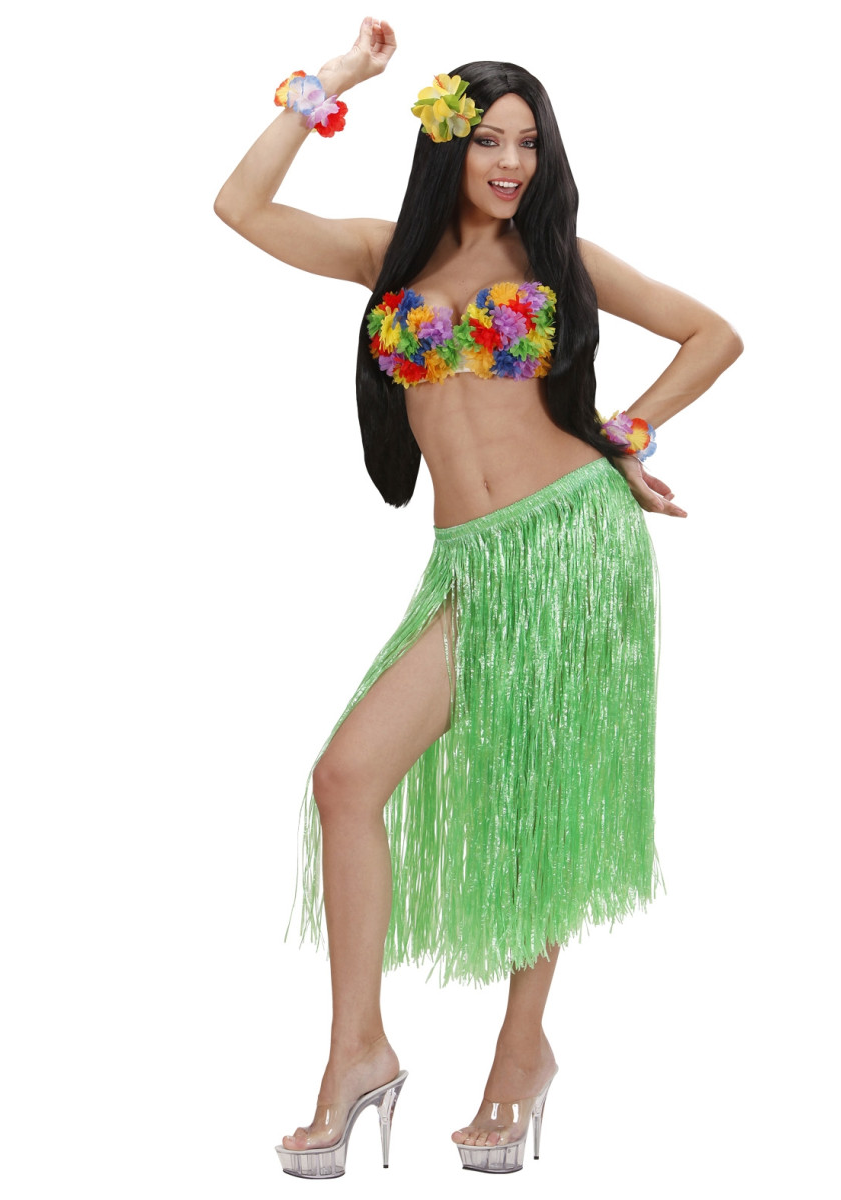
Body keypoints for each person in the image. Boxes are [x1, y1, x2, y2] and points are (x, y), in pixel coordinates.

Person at [214, 16, 743, 1178]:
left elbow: (714, 335)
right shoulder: (386, 260)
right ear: (449, 146)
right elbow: (240, 207)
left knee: (540, 800)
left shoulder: (559, 260)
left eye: (529, 142)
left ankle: (518, 1058)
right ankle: (357, 1052)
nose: (512, 161)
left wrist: (622, 437)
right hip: (466, 561)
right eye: (491, 139)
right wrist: (334, 81)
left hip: (572, 546)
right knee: (346, 778)